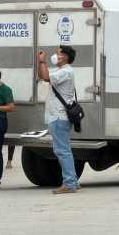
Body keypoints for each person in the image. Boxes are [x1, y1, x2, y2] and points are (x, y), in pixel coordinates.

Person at [37, 46, 79, 194]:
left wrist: (43, 62)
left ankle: (69, 183)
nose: (56, 55)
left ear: (66, 57)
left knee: (62, 151)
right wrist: (40, 62)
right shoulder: (62, 71)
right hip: (57, 116)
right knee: (64, 150)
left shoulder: (66, 71)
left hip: (59, 116)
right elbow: (43, 76)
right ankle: (72, 180)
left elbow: (46, 77)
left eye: (59, 53)